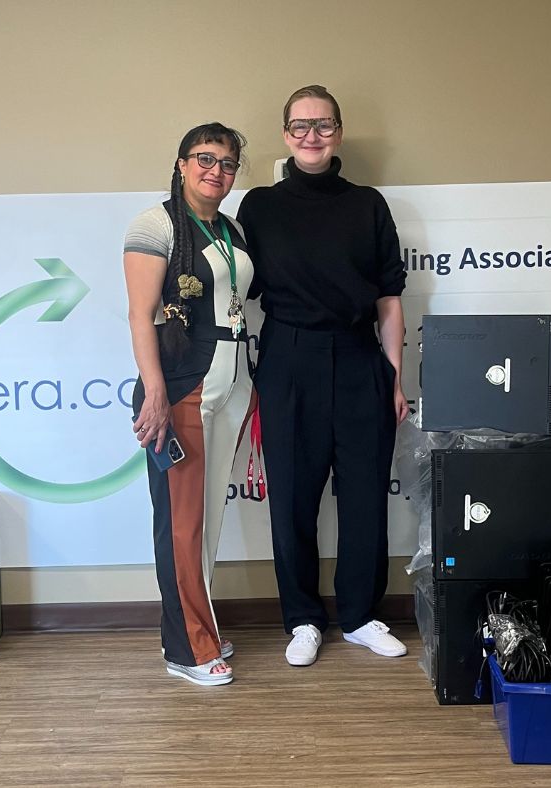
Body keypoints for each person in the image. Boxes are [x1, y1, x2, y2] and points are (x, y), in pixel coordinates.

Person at [237, 85, 410, 667]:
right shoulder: (259, 207)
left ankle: (359, 616)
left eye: (324, 124)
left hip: (360, 356)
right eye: (301, 125)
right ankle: (303, 619)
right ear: (286, 134)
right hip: (287, 358)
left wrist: (394, 378)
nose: (312, 135)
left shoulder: (368, 205)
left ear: (339, 131)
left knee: (365, 495)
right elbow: (235, 288)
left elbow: (389, 299)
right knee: (291, 498)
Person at [124, 123, 255, 686]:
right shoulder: (155, 224)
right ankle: (186, 648)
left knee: (207, 520)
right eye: (204, 158)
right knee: (181, 525)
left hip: (231, 382)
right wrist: (154, 391)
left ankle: (200, 626)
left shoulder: (231, 228)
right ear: (181, 164)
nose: (215, 171)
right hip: (182, 386)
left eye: (227, 163)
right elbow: (140, 314)